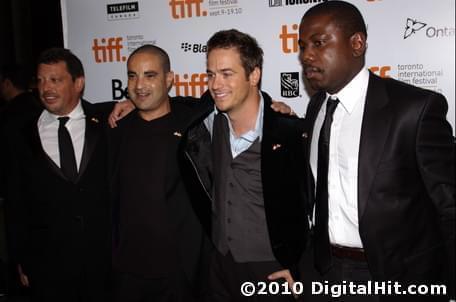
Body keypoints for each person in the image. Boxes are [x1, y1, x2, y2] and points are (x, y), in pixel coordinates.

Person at [298, 1, 455, 301]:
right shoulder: (316, 106)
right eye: (303, 46)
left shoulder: (413, 110)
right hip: (322, 273)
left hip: (393, 279)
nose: (307, 55)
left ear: (357, 43)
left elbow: (449, 207)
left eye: (319, 43)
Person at [181, 29, 309, 301]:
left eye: (227, 74)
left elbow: (313, 205)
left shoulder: (290, 133)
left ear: (254, 75)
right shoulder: (205, 124)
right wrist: (131, 104)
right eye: (211, 74)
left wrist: (300, 266)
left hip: (272, 271)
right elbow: (162, 103)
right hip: (219, 268)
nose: (216, 84)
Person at [4, 48, 112, 302]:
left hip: (103, 263)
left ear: (79, 83)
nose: (46, 88)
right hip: (47, 267)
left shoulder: (108, 121)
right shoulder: (19, 134)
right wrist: (21, 260)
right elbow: (15, 202)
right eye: (41, 80)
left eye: (55, 80)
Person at [108, 44, 208, 302]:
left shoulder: (193, 125)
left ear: (169, 79)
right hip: (127, 273)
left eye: (150, 75)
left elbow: (232, 97)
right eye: (132, 75)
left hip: (179, 274)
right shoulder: (115, 130)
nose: (139, 84)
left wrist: (273, 107)